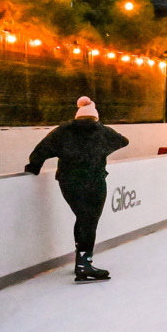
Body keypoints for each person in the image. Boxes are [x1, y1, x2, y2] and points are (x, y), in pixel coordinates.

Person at [24, 97, 129, 283]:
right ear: (95, 117)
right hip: (94, 182)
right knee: (89, 220)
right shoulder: (102, 132)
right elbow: (123, 140)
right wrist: (101, 144)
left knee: (83, 218)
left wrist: (34, 167)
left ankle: (81, 262)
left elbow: (40, 151)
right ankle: (83, 264)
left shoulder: (63, 131)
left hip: (69, 182)